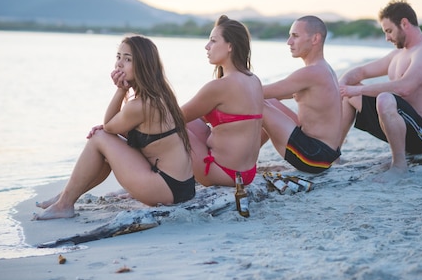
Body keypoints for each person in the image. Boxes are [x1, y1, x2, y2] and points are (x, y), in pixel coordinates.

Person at [33, 35, 195, 220]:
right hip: (181, 187)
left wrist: (121, 90)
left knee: (100, 137)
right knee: (103, 142)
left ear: (144, 65)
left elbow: (109, 126)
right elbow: (129, 134)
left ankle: (64, 203)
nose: (119, 64)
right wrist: (108, 132)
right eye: (118, 57)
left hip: (166, 189)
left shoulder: (141, 105)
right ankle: (65, 196)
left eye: (127, 59)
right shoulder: (160, 96)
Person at [338, 0, 422, 181]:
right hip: (402, 127)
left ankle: (399, 166)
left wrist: (357, 91)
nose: (387, 38)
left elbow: (404, 87)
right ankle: (333, 154)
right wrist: (342, 86)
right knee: (350, 92)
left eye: (389, 31)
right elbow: (361, 71)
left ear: (404, 24)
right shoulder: (397, 55)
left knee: (384, 98)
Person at [181, 15, 264, 187]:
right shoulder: (254, 80)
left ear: (230, 46)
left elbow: (175, 118)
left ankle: (156, 180)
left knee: (169, 128)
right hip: (247, 173)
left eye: (213, 41)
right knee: (189, 123)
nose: (207, 46)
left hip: (221, 172)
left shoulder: (220, 86)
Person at [260, 15, 342, 174]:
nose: (289, 42)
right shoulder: (324, 68)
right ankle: (248, 161)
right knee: (268, 102)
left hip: (314, 157)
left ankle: (241, 165)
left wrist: (230, 88)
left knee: (257, 103)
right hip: (323, 154)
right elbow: (275, 94)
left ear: (315, 38)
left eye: (295, 36)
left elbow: (259, 92)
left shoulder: (312, 72)